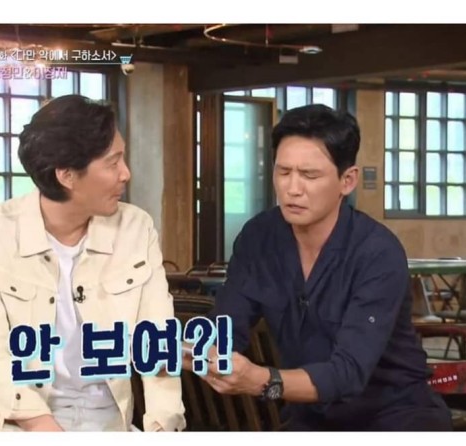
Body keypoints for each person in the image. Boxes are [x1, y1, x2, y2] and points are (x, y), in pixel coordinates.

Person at [189, 104, 452, 431]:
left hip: (396, 415)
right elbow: (227, 327)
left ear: (347, 180)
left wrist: (262, 380)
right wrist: (188, 349)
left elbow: (348, 373)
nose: (292, 189)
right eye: (283, 172)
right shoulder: (259, 237)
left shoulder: (377, 253)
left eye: (309, 175)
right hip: (310, 416)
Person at [0, 95, 185, 432]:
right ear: (66, 175)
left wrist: (163, 427)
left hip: (110, 423)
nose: (126, 174)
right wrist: (42, 426)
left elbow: (158, 336)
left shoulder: (136, 228)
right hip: (17, 423)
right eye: (113, 162)